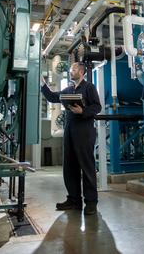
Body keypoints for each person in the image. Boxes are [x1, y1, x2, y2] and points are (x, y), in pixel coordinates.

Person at [41, 62, 102, 215]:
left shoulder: (89, 88)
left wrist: (83, 110)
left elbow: (97, 107)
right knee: (69, 168)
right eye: (70, 69)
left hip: (84, 132)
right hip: (69, 132)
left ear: (81, 72)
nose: (70, 71)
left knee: (87, 167)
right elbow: (52, 97)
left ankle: (91, 202)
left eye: (73, 69)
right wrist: (42, 83)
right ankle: (74, 200)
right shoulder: (68, 90)